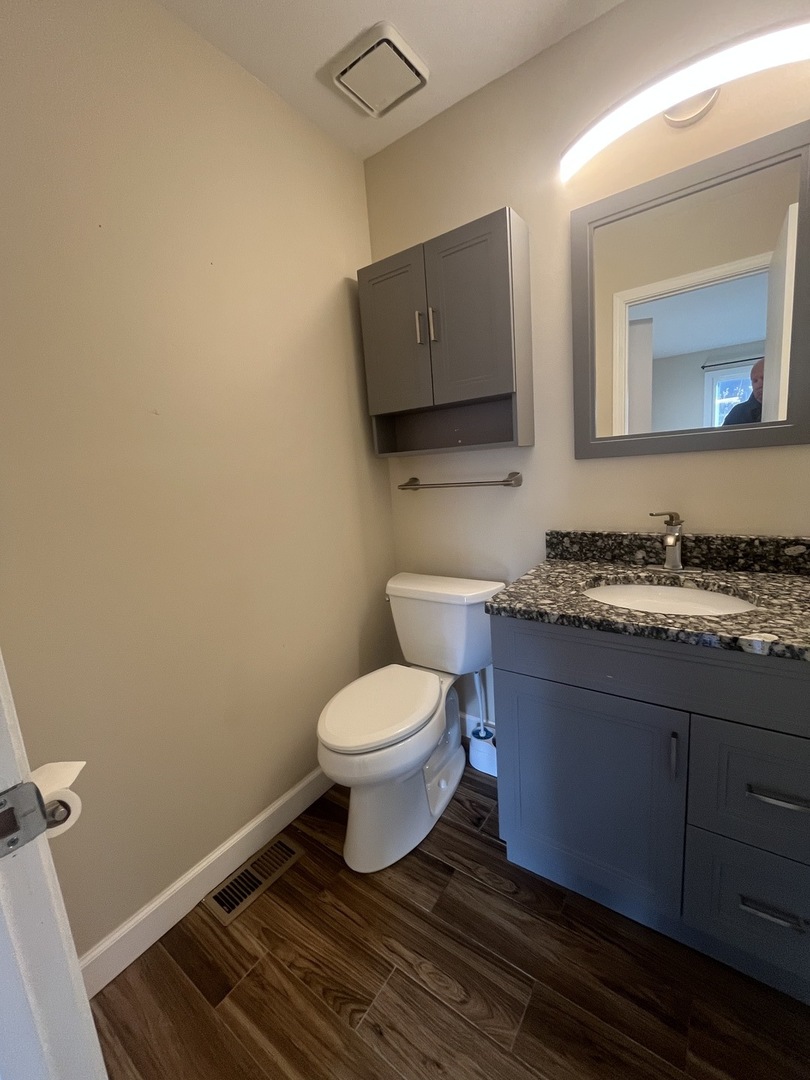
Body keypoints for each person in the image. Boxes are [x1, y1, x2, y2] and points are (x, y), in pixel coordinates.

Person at [723, 358, 764, 425]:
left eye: (763, 378)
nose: (759, 385)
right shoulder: (738, 413)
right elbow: (722, 435)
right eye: (755, 381)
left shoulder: (784, 409)